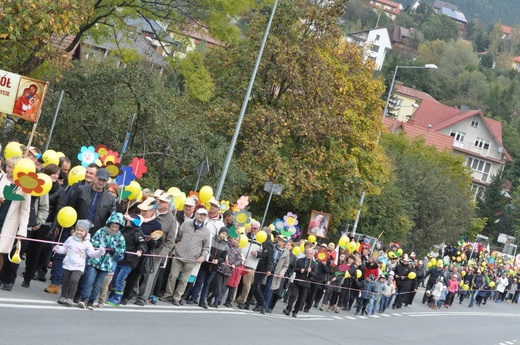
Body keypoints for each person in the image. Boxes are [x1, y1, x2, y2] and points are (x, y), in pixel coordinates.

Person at [23, 163, 65, 288]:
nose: (56, 176)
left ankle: (28, 277)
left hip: (45, 225)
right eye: (54, 173)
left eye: (58, 174)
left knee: (36, 251)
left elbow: (58, 210)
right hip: (31, 221)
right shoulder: (38, 184)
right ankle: (27, 269)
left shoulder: (60, 191)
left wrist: (52, 229)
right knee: (27, 249)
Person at [161, 205, 211, 306]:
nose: (202, 217)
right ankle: (167, 295)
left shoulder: (207, 231)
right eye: (200, 214)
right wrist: (177, 243)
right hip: (179, 255)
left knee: (184, 280)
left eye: (204, 215)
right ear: (196, 214)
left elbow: (206, 248)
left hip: (192, 259)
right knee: (172, 276)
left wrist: (203, 256)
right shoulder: (187, 223)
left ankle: (177, 298)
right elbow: (178, 235)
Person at [78, 212, 126, 310]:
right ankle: (83, 299)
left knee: (98, 284)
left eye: (116, 227)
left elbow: (122, 250)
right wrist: (101, 248)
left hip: (107, 265)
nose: (114, 229)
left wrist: (114, 251)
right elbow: (94, 241)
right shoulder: (101, 231)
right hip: (95, 260)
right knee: (89, 280)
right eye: (112, 226)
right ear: (109, 224)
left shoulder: (120, 237)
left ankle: (91, 301)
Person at [53, 220, 105, 307]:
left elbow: (92, 254)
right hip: (67, 264)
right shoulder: (70, 239)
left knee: (74, 280)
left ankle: (70, 298)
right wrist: (58, 249)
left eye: (82, 231)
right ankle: (63, 296)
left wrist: (99, 252)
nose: (79, 232)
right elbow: (64, 249)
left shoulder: (87, 243)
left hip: (78, 266)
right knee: (65, 281)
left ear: (86, 232)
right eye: (77, 230)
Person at [0, 156, 31, 291]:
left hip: (9, 224)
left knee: (1, 252)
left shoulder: (24, 186)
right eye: (7, 166)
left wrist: (22, 232)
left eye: (11, 167)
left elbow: (25, 210)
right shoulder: (1, 179)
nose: (7, 169)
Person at [106, 215, 146, 306]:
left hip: (129, 261)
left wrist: (140, 250)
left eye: (129, 220)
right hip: (119, 259)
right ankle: (113, 295)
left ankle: (117, 299)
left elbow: (142, 244)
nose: (126, 221)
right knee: (114, 279)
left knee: (120, 280)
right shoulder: (124, 230)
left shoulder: (137, 232)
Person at [189, 227, 228, 309]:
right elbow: (206, 249)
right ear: (219, 233)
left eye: (225, 234)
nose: (224, 235)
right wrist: (210, 258)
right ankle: (193, 298)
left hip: (214, 267)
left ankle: (202, 300)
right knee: (199, 282)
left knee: (207, 284)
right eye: (223, 233)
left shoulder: (226, 245)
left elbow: (223, 257)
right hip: (205, 264)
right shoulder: (211, 239)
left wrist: (218, 260)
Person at [283, 248, 317, 318]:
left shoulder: (314, 264)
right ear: (306, 253)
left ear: (313, 254)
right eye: (308, 253)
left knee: (301, 299)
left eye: (310, 254)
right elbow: (294, 268)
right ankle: (288, 309)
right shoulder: (300, 260)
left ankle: (295, 311)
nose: (309, 255)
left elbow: (314, 274)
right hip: (297, 281)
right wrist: (299, 270)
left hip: (306, 284)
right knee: (293, 296)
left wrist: (310, 271)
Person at [262, 235, 290, 313]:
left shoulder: (286, 252)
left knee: (269, 289)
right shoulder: (273, 247)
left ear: (284, 243)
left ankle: (265, 306)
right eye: (279, 239)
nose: (279, 241)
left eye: (281, 240)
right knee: (262, 287)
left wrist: (281, 273)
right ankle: (259, 304)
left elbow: (285, 265)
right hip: (267, 270)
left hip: (275, 273)